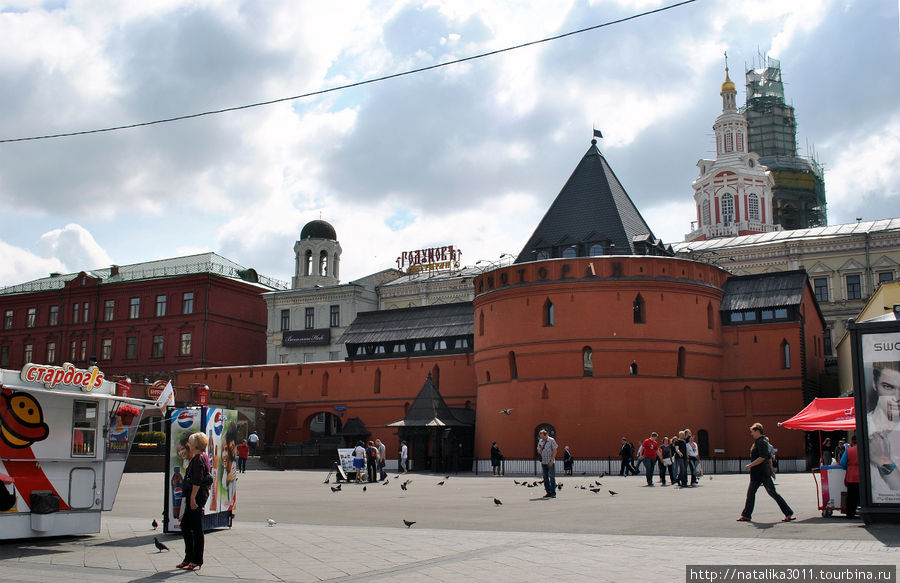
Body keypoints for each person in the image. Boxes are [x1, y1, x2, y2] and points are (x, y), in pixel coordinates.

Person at [737, 423, 795, 522]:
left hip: (762, 474)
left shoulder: (762, 442)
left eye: (752, 431)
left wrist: (750, 465)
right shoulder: (758, 442)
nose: (751, 434)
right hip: (757, 474)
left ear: (757, 431)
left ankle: (788, 513)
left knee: (773, 493)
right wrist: (771, 471)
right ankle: (746, 515)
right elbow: (768, 458)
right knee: (751, 493)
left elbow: (763, 457)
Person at [866, 362, 900, 495]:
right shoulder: (865, 425)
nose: (896, 398)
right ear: (875, 384)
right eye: (888, 387)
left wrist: (884, 461)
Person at [179, 432, 211, 571]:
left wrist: (192, 498)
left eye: (190, 443)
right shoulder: (202, 456)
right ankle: (189, 557)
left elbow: (197, 480)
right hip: (197, 495)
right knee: (186, 525)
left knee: (196, 528)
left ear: (195, 445)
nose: (188, 445)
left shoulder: (198, 458)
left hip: (197, 497)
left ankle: (196, 559)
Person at [840, 435, 859, 519]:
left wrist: (849, 467)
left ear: (852, 441)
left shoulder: (848, 450)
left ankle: (850, 514)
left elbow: (843, 463)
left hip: (851, 475)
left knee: (851, 496)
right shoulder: (864, 449)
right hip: (863, 476)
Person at [537, 429, 558, 498]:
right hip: (543, 462)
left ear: (546, 435)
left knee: (552, 477)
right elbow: (539, 451)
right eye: (541, 437)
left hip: (550, 461)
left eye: (542, 436)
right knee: (545, 478)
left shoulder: (551, 440)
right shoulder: (540, 441)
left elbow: (555, 450)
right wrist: (540, 448)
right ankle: (548, 492)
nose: (542, 438)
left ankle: (553, 493)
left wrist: (552, 460)